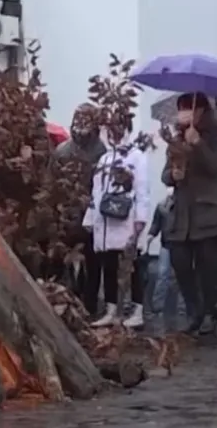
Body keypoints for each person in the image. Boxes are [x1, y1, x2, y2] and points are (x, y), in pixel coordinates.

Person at [161, 92, 217, 336]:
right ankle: (193, 310)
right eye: (181, 108)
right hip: (182, 215)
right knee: (180, 262)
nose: (184, 113)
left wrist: (199, 144)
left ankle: (210, 312)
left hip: (208, 212)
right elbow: (165, 174)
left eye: (188, 108)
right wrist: (173, 175)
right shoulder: (177, 139)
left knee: (207, 266)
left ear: (201, 111)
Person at [82, 125, 149, 329]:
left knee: (132, 266)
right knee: (109, 265)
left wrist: (141, 218)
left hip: (127, 219)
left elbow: (142, 189)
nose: (113, 135)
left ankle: (137, 310)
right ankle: (111, 310)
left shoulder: (137, 157)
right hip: (105, 221)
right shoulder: (104, 158)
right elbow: (96, 190)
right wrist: (90, 218)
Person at [53, 103, 107, 307]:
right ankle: (64, 300)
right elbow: (53, 181)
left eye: (87, 119)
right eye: (78, 118)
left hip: (91, 215)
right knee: (63, 261)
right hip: (66, 214)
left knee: (92, 263)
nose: (81, 123)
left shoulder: (102, 152)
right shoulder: (62, 150)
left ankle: (90, 304)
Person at [144, 191, 187, 331]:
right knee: (163, 274)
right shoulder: (162, 206)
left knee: (182, 276)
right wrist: (150, 235)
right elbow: (156, 223)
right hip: (167, 244)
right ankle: (158, 307)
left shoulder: (185, 206)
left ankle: (183, 307)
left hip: (181, 244)